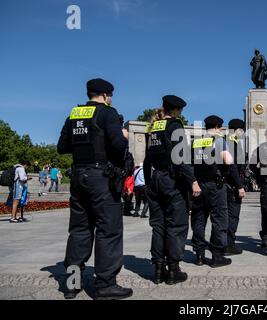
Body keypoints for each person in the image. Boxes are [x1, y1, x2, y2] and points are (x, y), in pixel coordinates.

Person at [57, 78, 133, 300]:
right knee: (108, 230)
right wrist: (123, 137)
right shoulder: (108, 113)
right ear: (106, 95)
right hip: (101, 178)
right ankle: (105, 284)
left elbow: (62, 147)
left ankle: (71, 284)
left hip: (78, 176)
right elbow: (118, 146)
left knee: (79, 229)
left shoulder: (74, 114)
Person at [145, 95, 201, 285]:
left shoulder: (155, 126)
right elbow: (181, 156)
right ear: (177, 110)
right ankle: (173, 270)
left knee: (158, 226)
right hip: (172, 181)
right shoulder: (175, 125)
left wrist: (147, 182)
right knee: (176, 225)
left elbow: (146, 160)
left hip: (155, 180)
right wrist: (192, 181)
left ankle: (158, 269)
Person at [191, 115, 234, 267]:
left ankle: (199, 255)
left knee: (199, 219)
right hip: (216, 186)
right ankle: (217, 256)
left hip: (199, 185)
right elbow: (228, 160)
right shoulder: (219, 140)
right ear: (216, 127)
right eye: (220, 128)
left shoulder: (196, 142)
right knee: (219, 220)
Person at [249, 125, 267, 248]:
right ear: (266, 136)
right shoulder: (261, 149)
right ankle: (265, 236)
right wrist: (260, 177)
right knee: (266, 211)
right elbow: (252, 165)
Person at [224, 119, 246, 256]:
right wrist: (239, 186)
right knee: (233, 216)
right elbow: (233, 167)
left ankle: (222, 242)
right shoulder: (233, 143)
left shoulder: (224, 141)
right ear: (238, 130)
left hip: (223, 184)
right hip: (232, 185)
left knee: (224, 216)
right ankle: (229, 244)